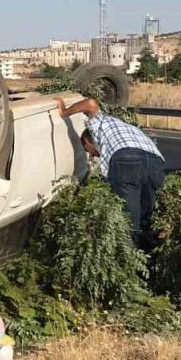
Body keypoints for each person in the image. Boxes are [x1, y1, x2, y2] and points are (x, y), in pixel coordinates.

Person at [57, 96, 165, 247]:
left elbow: (90, 103)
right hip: (155, 162)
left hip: (126, 160)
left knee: (129, 220)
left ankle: (131, 260)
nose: (94, 155)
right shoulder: (124, 126)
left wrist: (64, 112)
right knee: (146, 216)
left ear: (88, 141)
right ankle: (149, 253)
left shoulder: (99, 124)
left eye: (89, 151)